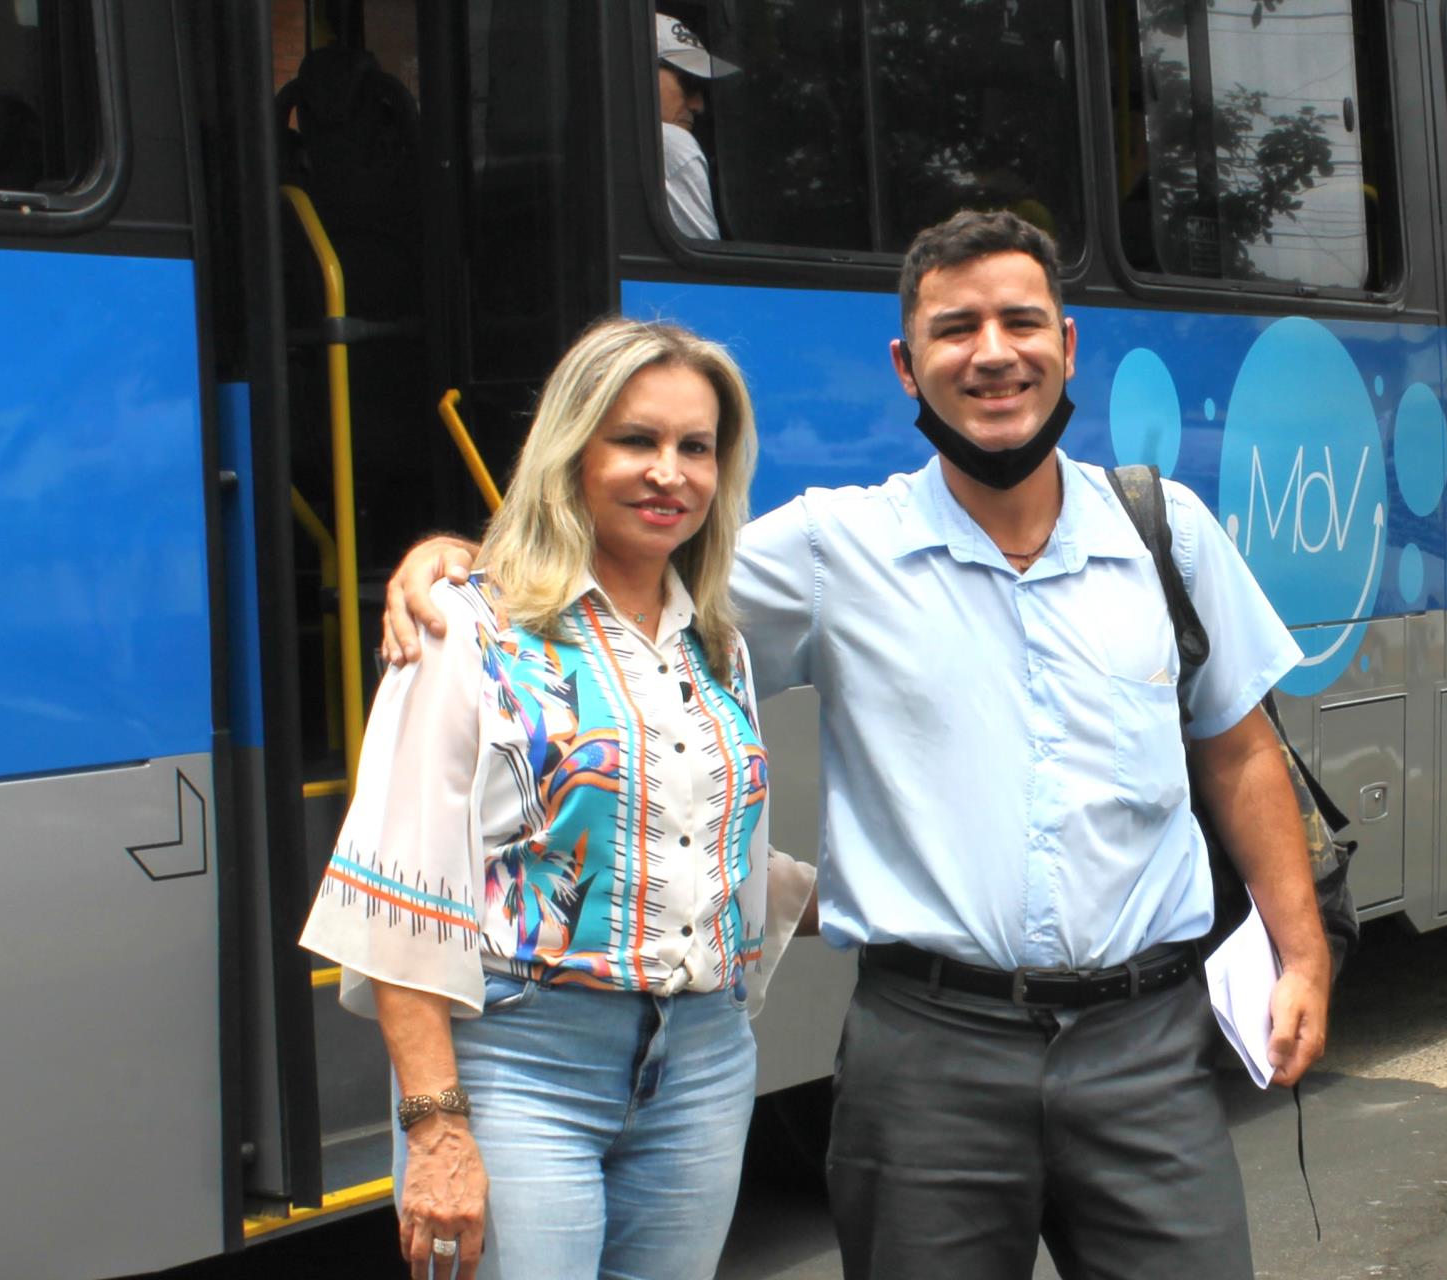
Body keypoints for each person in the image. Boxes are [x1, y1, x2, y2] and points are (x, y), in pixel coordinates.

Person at [383, 211, 1331, 1280]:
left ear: (1068, 346)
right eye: (955, 327)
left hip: (1147, 1047)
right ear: (906, 364)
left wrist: (1300, 953)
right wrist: (456, 560)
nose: (992, 352)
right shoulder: (833, 549)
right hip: (928, 1054)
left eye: (1022, 322)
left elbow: (1239, 750)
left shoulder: (1170, 534)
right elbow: (604, 591)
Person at [302, 318, 815, 1280]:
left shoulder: (717, 644)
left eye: (695, 448)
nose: (670, 472)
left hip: (701, 1065)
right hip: (522, 1066)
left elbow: (696, 849)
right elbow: (402, 888)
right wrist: (437, 1130)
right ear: (573, 450)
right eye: (636, 441)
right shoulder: (466, 628)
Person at [655, 13, 736, 240]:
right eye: (689, 83)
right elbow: (708, 273)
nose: (698, 105)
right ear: (642, 72)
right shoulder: (670, 143)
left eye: (702, 89)